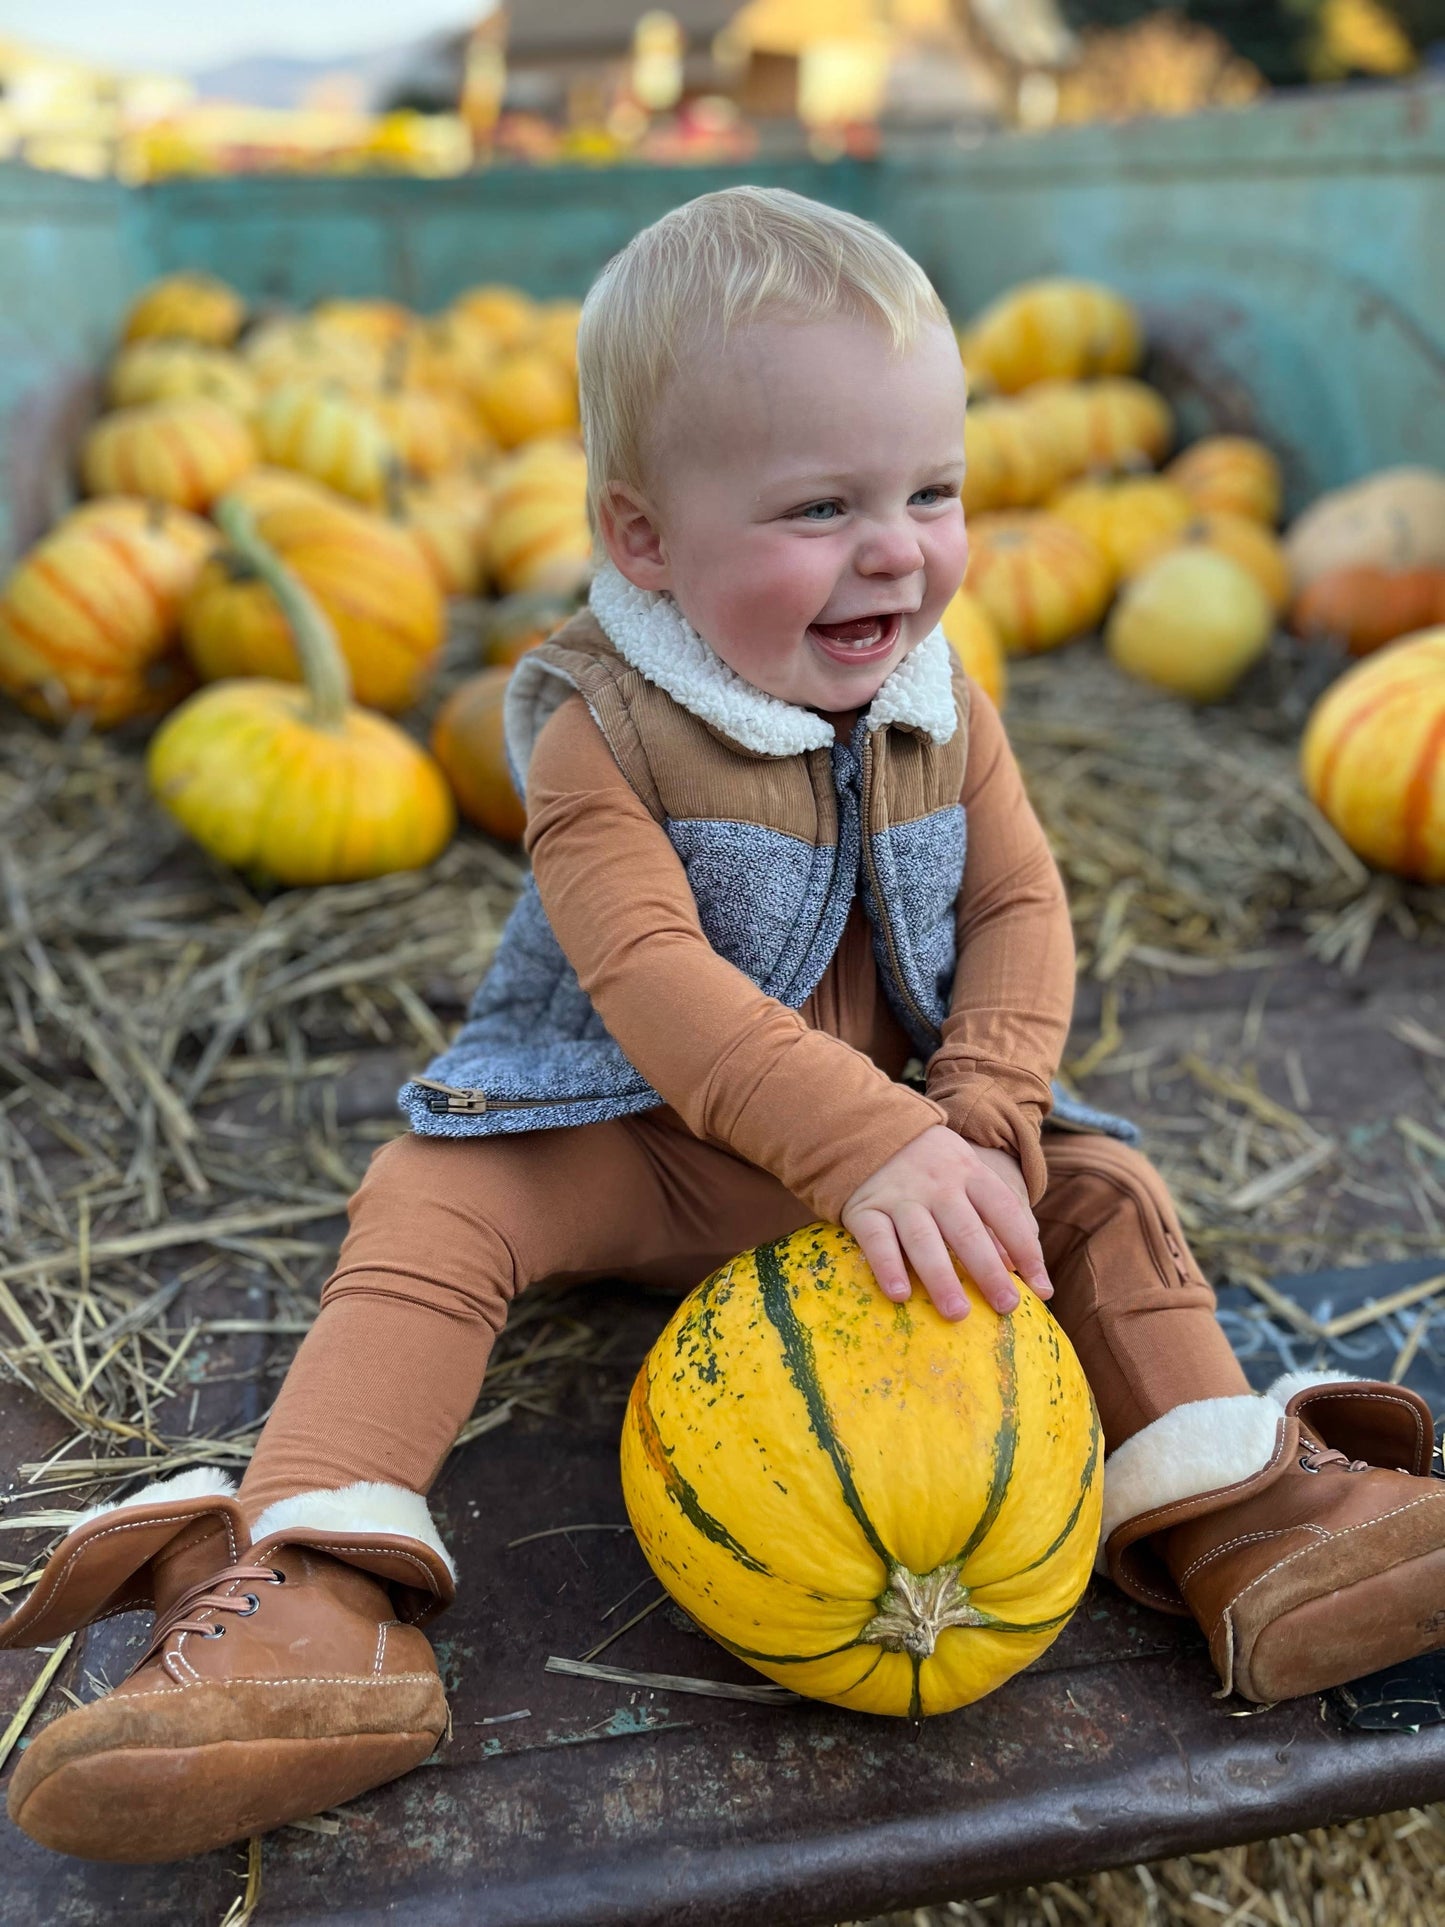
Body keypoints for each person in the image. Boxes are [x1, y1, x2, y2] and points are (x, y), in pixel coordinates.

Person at [5, 188, 1443, 1865]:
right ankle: (320, 1589)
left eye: (932, 492)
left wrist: (975, 1105)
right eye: (820, 506)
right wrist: (869, 1139)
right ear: (643, 540)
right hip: (638, 1145)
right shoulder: (594, 733)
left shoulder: (940, 704)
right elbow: (652, 981)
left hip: (907, 1145)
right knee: (428, 1205)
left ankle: (1245, 1526)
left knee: (1098, 1187)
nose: (896, 548)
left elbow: (1017, 910)